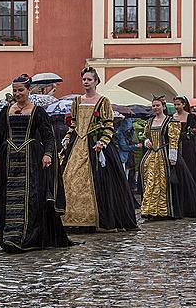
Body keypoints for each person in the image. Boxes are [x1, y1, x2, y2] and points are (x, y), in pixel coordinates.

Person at [0, 74, 71, 253]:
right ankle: (9, 235)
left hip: (31, 160)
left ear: (28, 90)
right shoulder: (6, 111)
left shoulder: (37, 111)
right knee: (8, 197)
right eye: (15, 91)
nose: (17, 93)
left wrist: (48, 154)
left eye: (21, 90)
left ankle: (25, 237)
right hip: (9, 160)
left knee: (31, 197)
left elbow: (48, 136)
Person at [59, 67, 138, 232]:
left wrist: (102, 142)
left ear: (96, 82)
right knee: (70, 178)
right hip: (76, 146)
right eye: (84, 80)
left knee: (101, 181)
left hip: (95, 146)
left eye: (89, 80)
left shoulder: (103, 101)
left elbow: (109, 126)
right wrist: (67, 138)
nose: (86, 82)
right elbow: (73, 124)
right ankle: (71, 218)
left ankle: (99, 219)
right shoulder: (77, 101)